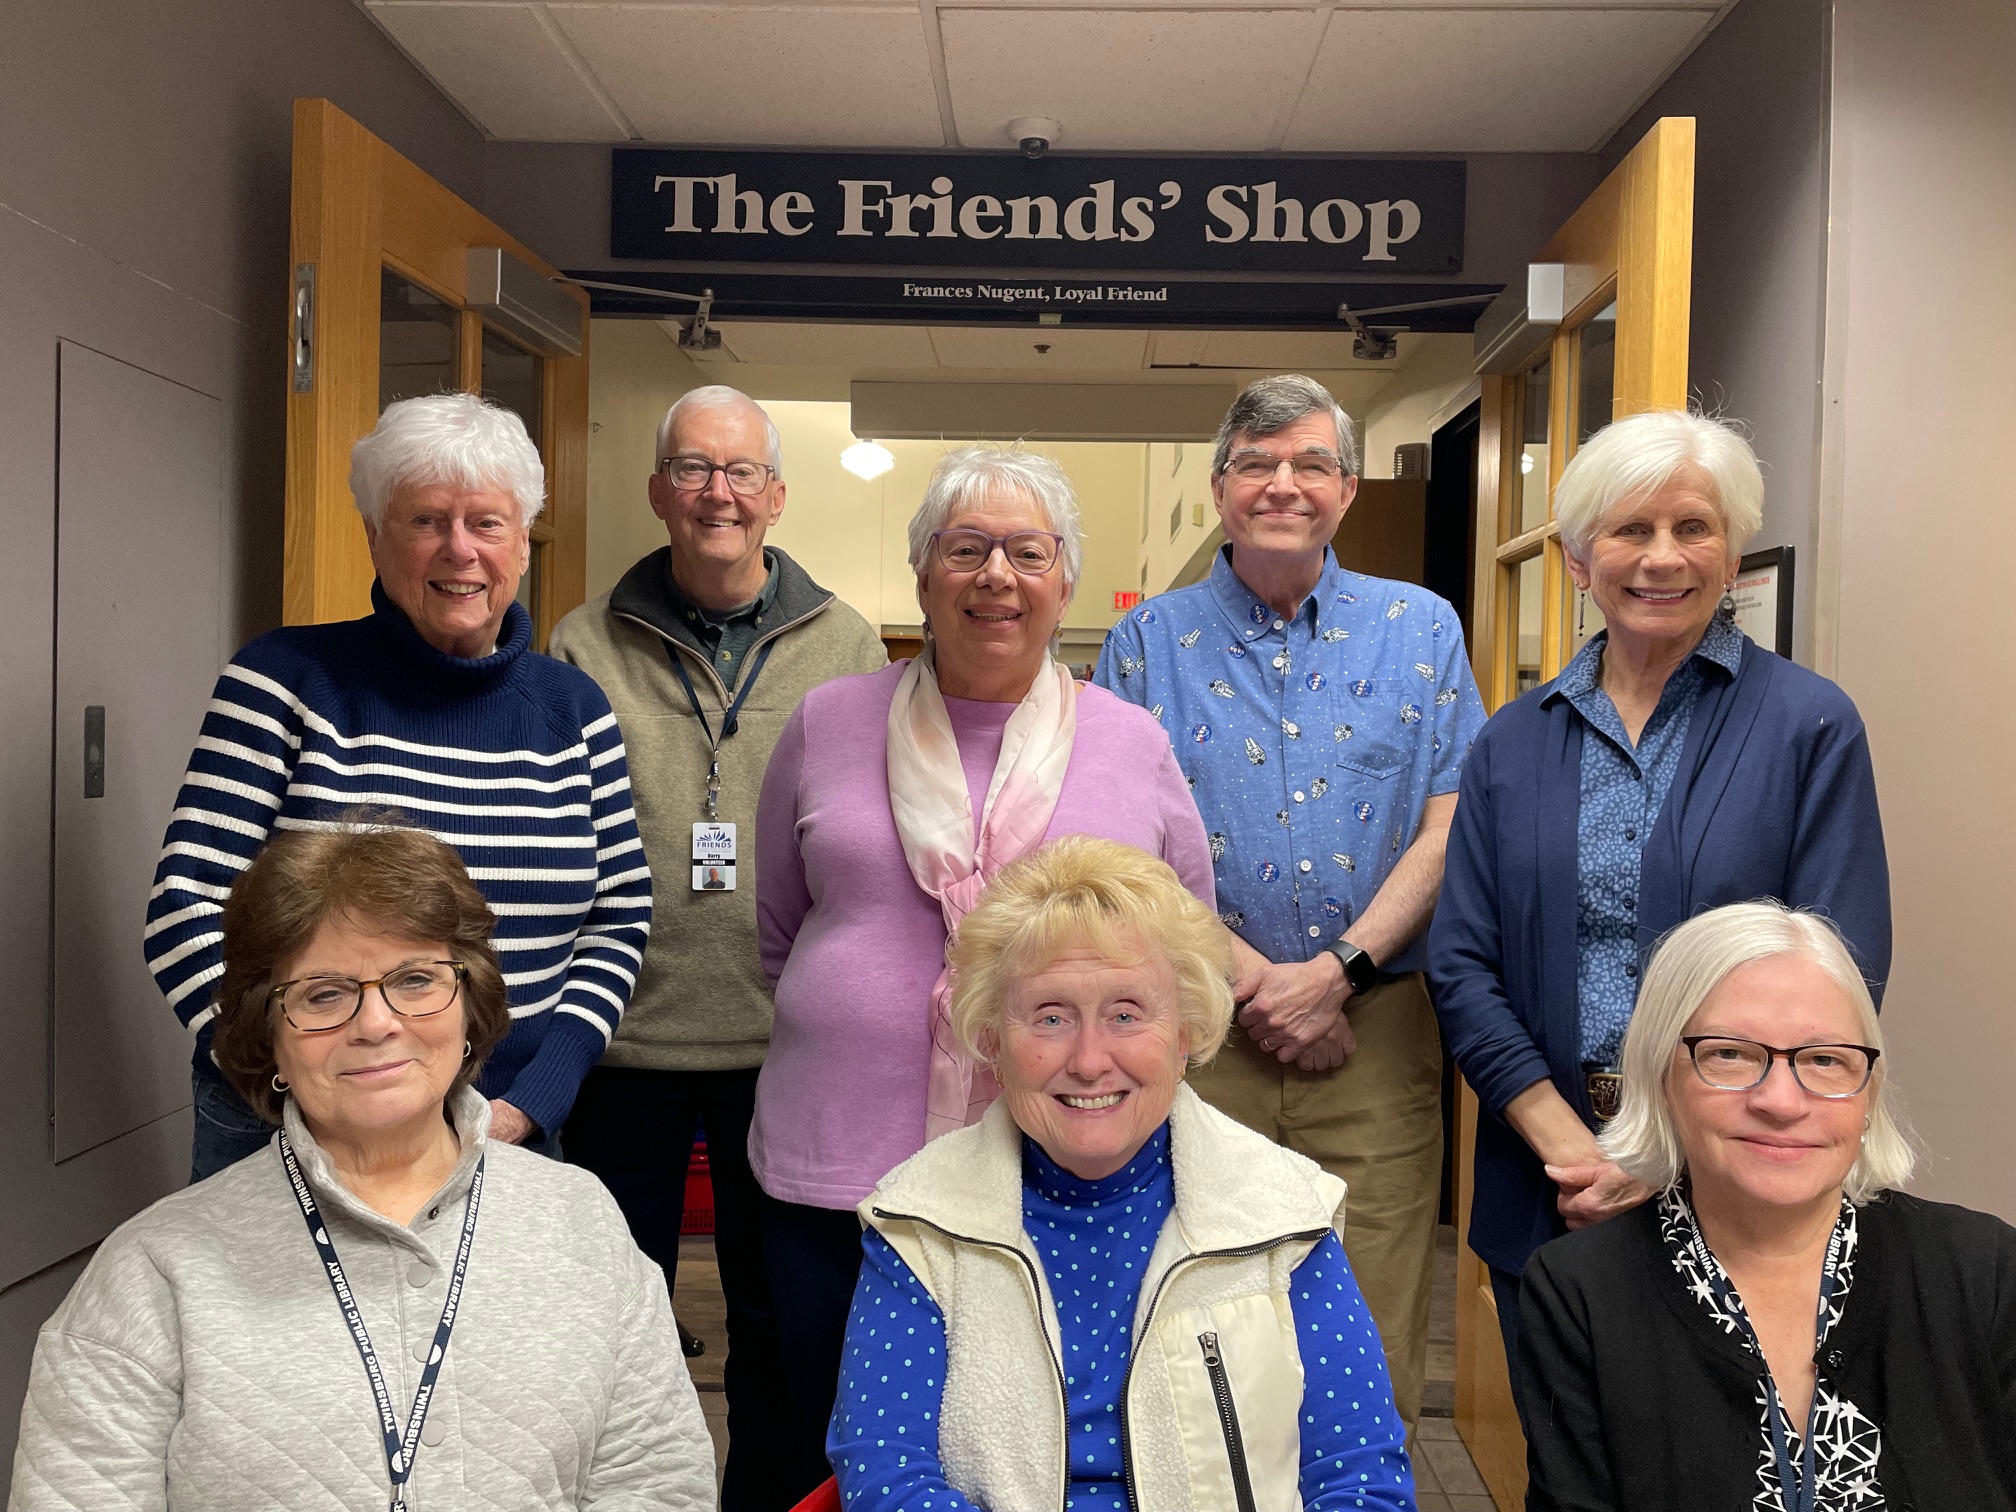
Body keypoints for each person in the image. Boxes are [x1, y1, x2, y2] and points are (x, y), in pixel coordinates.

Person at [752, 445, 1216, 1500]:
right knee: (825, 1434)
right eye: (965, 550)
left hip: (1060, 1169)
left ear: (1064, 582)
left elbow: (1184, 943)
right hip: (840, 1162)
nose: (994, 576)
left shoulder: (1130, 742)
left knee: (1022, 1437)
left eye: (1025, 551)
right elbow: (779, 924)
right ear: (923, 575)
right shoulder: (829, 720)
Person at [11, 825, 713, 1511]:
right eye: (323, 994)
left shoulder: (580, 1219)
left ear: (470, 1005)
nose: (375, 1023)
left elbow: (657, 1484)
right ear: (268, 1037)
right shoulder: (152, 1274)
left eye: (414, 979)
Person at [1428, 409, 1891, 1380]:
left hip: (1743, 1181)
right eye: (1630, 530)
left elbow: (1839, 973)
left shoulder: (1811, 726)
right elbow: (1462, 964)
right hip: (1548, 1189)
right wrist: (1567, 1144)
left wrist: (1662, 1152)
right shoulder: (1510, 746)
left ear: (1730, 555)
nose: (1662, 557)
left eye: (1693, 528)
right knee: (1568, 1473)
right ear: (1577, 559)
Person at [1094, 373, 1486, 1431]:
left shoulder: (1422, 628)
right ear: (1221, 489)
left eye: (1311, 463)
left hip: (1378, 1030)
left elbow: (1451, 825)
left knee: (1369, 1324)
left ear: (1348, 488)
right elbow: (1126, 844)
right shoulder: (1145, 645)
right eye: (1257, 464)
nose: (1284, 484)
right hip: (1200, 1032)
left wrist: (1335, 974)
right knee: (1195, 1317)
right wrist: (1258, 983)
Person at [147, 393, 651, 1180]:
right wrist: (302, 1087)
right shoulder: (283, 681)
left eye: (486, 522)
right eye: (425, 521)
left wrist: (539, 1096)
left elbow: (618, 921)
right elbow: (186, 905)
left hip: (506, 1128)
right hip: (292, 1129)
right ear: (375, 537)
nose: (460, 550)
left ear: (522, 541)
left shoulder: (574, 709)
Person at [830, 835, 1415, 1512]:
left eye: (1126, 1014)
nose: (1088, 1060)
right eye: (1050, 1017)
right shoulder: (919, 1221)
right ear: (991, 1039)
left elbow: (1361, 1482)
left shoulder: (1286, 1214)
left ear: (1187, 1031)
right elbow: (887, 1477)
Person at [547, 383, 884, 1511]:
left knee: (777, 1331)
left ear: (777, 495)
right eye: (693, 469)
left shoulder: (844, 641)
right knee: (611, 1321)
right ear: (657, 491)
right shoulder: (581, 642)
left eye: (741, 472)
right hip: (618, 1040)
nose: (718, 494)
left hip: (782, 1046)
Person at [1519, 901, 2016, 1510]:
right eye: (1730, 1053)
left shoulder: (1984, 1270)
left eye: (1826, 1059)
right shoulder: (1579, 1293)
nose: (1782, 1101)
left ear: (1867, 1093)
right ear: (1661, 1078)